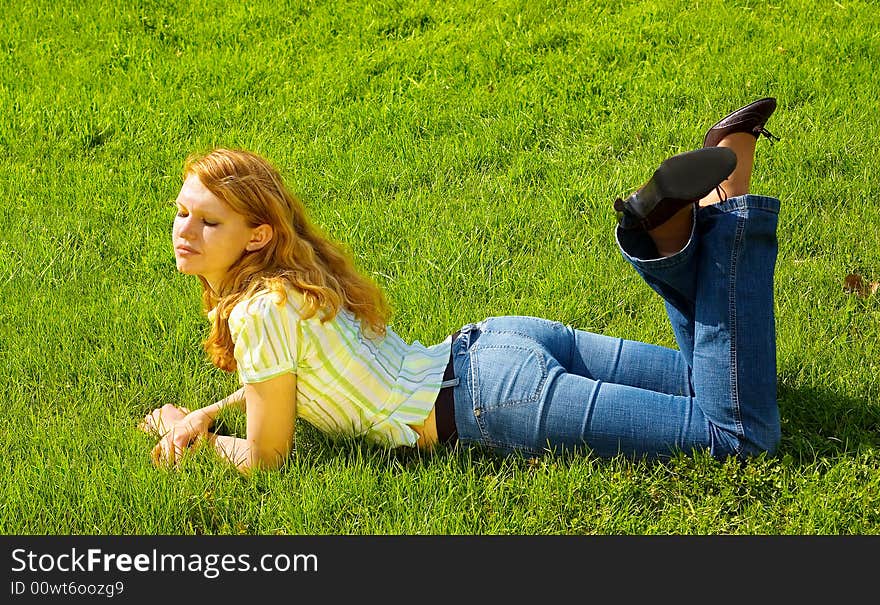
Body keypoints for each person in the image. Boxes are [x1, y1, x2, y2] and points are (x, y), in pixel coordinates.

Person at [140, 98, 783, 474]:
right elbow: (277, 375)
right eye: (181, 212)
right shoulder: (293, 276)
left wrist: (197, 439)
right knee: (720, 382)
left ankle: (714, 215)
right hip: (496, 343)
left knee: (740, 434)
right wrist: (210, 410)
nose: (184, 230)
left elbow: (267, 453)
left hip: (494, 401)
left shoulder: (256, 313)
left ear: (255, 236)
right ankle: (685, 223)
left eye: (207, 220)